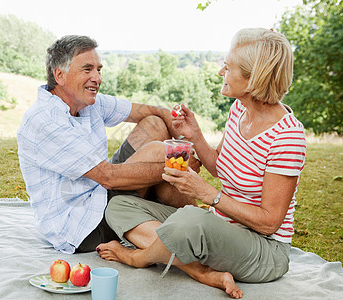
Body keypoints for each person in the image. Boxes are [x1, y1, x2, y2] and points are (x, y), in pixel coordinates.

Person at [97, 28, 306, 299]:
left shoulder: (287, 136)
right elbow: (222, 168)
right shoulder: (239, 111)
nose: (221, 72)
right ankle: (200, 270)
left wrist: (209, 195)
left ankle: (138, 258)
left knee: (191, 220)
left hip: (264, 250)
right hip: (217, 226)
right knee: (120, 205)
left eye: (228, 67)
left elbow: (269, 223)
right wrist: (195, 135)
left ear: (254, 79)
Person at [17, 35, 201, 254]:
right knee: (158, 152)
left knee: (154, 124)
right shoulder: (44, 121)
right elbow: (108, 177)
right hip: (82, 225)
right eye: (87, 69)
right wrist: (180, 165)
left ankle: (189, 218)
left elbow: (155, 112)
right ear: (60, 75)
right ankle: (198, 227)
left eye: (98, 69)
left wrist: (183, 143)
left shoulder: (87, 103)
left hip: (99, 191)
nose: (96, 77)